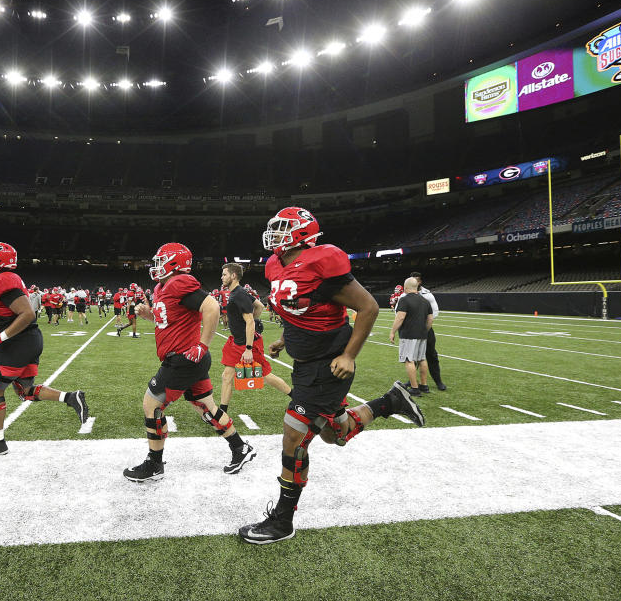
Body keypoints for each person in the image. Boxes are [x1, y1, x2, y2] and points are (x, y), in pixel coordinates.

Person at [238, 207, 425, 544]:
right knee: (333, 435)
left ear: (303, 233)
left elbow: (368, 307)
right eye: (275, 228)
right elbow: (298, 309)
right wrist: (284, 339)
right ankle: (390, 401)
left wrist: (349, 355)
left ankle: (282, 520)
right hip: (306, 362)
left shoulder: (322, 261)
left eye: (283, 228)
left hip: (329, 364)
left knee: (293, 438)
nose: (276, 234)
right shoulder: (274, 265)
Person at [123, 243, 255, 482]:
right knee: (206, 407)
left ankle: (154, 464)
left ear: (174, 263)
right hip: (189, 359)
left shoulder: (179, 281)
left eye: (161, 261)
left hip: (184, 358)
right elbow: (170, 317)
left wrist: (202, 345)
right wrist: (148, 315)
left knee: (151, 405)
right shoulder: (163, 286)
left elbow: (211, 307)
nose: (156, 266)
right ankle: (240, 447)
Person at [0, 242, 89, 458]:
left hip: (18, 342)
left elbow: (27, 314)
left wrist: (0, 337)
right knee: (25, 390)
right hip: (28, 340)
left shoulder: (2, 279)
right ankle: (71, 398)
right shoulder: (6, 279)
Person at [218, 263, 292, 414]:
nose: (222, 277)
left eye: (225, 274)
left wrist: (248, 348)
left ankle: (295, 397)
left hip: (247, 345)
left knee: (266, 376)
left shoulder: (239, 294)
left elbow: (250, 321)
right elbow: (259, 306)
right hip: (237, 342)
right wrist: (252, 323)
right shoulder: (238, 292)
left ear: (233, 276)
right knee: (226, 376)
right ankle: (222, 412)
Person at [389, 277, 433, 395]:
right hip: (422, 334)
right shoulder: (425, 301)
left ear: (406, 287)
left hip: (408, 334)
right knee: (422, 359)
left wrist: (392, 331)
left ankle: (414, 388)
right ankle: (424, 385)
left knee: (409, 360)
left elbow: (400, 317)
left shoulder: (404, 300)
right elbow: (430, 319)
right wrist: (425, 330)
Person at [411, 272, 448, 391]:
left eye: (416, 280)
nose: (414, 282)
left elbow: (435, 312)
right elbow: (399, 311)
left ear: (420, 281)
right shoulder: (405, 295)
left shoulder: (427, 295)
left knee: (431, 354)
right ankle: (413, 381)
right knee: (413, 356)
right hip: (411, 329)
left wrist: (424, 324)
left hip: (426, 328)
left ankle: (438, 381)